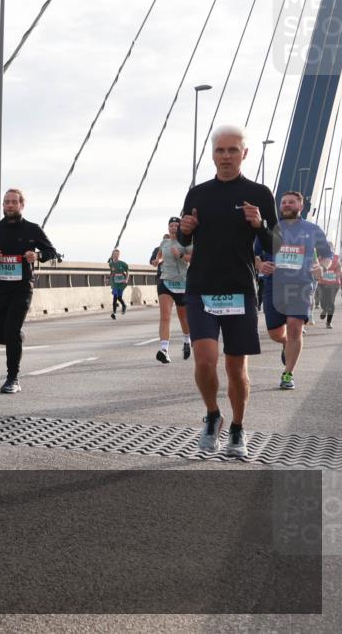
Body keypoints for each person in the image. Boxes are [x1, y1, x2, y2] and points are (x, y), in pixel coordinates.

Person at [178, 124, 277, 458]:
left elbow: (275, 244)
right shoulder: (198, 193)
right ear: (212, 154)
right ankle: (212, 415)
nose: (226, 156)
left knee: (236, 368)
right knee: (205, 362)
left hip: (239, 290)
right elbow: (183, 239)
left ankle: (237, 427)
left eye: (233, 150)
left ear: (244, 153)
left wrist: (259, 224)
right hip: (201, 288)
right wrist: (186, 232)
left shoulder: (260, 194)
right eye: (220, 150)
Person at [0, 188, 58, 394]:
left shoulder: (32, 229)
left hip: (22, 288)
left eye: (14, 202)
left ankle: (12, 378)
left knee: (12, 331)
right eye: (6, 202)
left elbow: (51, 251)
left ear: (22, 205)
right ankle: (16, 338)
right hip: (0, 289)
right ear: (3, 205)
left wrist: (38, 256)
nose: (10, 205)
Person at [254, 191, 334, 390]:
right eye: (283, 202)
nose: (287, 205)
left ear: (301, 205)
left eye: (291, 202)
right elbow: (254, 255)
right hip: (273, 283)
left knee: (295, 326)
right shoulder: (270, 228)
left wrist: (322, 267)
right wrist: (260, 265)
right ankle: (285, 343)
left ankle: (288, 374)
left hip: (301, 284)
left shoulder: (313, 229)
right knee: (274, 332)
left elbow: (326, 255)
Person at [152, 217, 192, 363]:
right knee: (165, 316)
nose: (174, 227)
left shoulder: (187, 242)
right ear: (168, 228)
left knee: (183, 318)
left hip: (182, 283)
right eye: (171, 225)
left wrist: (181, 255)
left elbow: (193, 258)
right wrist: (158, 261)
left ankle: (187, 341)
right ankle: (164, 350)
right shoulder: (165, 242)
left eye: (176, 225)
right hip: (166, 281)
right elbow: (161, 255)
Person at [318, 254, 340, 328]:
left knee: (331, 302)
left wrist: (335, 275)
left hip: (334, 284)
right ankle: (324, 309)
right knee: (322, 301)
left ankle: (328, 322)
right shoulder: (319, 257)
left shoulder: (336, 258)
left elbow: (339, 271)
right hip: (322, 283)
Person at [108, 249, 129, 319]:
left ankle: (124, 305)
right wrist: (108, 278)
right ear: (112, 255)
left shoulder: (123, 264)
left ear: (119, 255)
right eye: (114, 254)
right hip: (114, 283)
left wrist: (126, 279)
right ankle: (114, 313)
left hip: (122, 283)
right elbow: (112, 272)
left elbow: (127, 272)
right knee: (115, 296)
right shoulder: (111, 264)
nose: (116, 256)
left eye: (117, 254)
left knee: (119, 297)